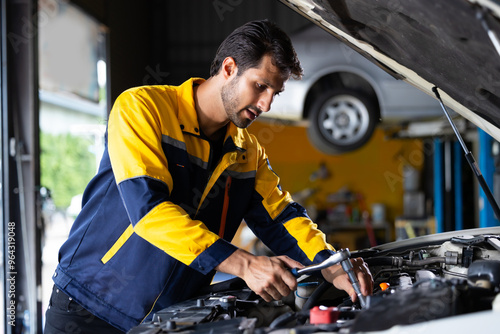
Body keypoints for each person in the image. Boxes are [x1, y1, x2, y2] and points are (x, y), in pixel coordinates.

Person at [44, 19, 373, 334]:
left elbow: (281, 217)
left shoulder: (248, 153)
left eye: (275, 92)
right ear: (229, 68)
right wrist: (244, 264)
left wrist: (331, 263)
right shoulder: (142, 109)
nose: (266, 104)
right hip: (89, 306)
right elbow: (149, 211)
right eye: (260, 86)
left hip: (171, 318)